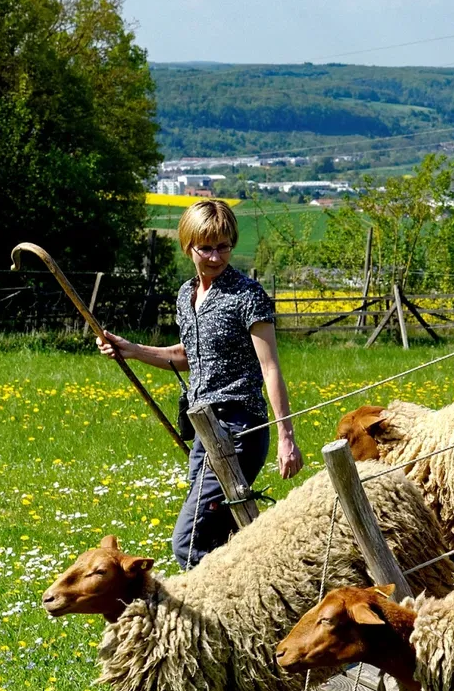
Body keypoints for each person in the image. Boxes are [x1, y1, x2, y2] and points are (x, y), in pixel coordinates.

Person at [99, 200, 303, 568]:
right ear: (188, 246)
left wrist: (286, 438)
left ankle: (210, 600)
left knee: (188, 542)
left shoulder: (247, 296)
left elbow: (270, 367)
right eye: (205, 248)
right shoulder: (186, 295)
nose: (215, 257)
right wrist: (132, 350)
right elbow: (188, 355)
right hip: (203, 428)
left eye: (223, 246)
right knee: (224, 537)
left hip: (239, 427)